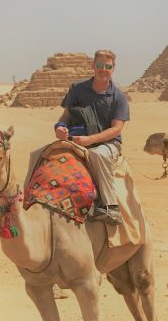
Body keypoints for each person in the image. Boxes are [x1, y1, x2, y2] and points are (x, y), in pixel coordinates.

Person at [54, 49, 130, 224]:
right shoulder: (77, 89)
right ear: (92, 66)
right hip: (76, 140)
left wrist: (91, 140)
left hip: (107, 144)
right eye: (99, 65)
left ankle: (111, 207)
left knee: (98, 154)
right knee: (42, 154)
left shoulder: (118, 97)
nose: (103, 69)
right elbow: (65, 116)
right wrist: (60, 128)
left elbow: (116, 129)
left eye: (107, 66)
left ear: (113, 68)